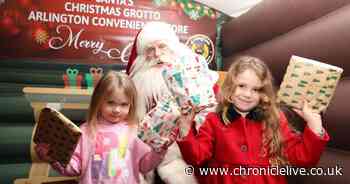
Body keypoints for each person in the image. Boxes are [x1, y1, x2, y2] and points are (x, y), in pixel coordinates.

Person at [176, 56, 330, 184]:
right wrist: (185, 127)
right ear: (230, 87)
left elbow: (303, 158)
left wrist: (315, 127)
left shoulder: (275, 119)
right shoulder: (214, 120)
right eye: (241, 86)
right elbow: (196, 157)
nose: (247, 94)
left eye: (255, 89)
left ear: (263, 93)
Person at [126, 21, 219, 184]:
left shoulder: (198, 78)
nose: (157, 54)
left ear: (174, 48)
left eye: (162, 46)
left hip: (191, 160)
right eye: (150, 49)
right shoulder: (135, 87)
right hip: (148, 163)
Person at [35, 71, 166, 184]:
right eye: (110, 103)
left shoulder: (134, 131)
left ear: (131, 105)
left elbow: (144, 166)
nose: (116, 110)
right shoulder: (85, 131)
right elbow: (74, 168)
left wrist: (158, 152)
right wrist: (53, 159)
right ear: (98, 101)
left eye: (124, 104)